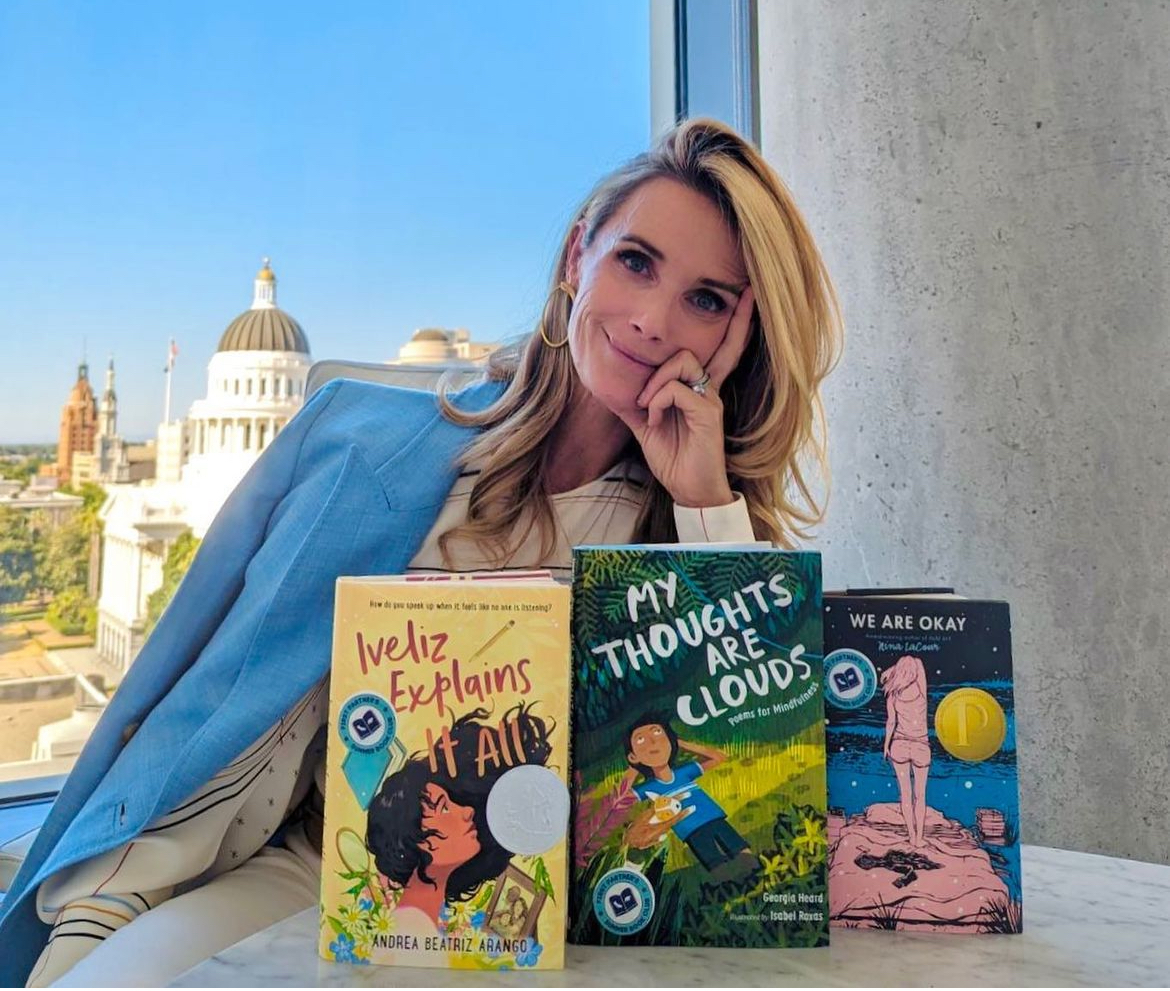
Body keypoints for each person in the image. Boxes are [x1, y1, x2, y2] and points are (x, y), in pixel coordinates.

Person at [0, 117, 841, 986]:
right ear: (575, 259)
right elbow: (214, 693)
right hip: (324, 871)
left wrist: (702, 500)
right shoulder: (370, 445)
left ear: (739, 337)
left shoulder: (705, 525)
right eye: (635, 262)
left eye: (708, 300)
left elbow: (744, 773)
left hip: (576, 916)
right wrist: (108, 906)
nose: (654, 320)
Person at [365, 705, 552, 932]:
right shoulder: (411, 930)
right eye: (444, 808)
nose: (467, 811)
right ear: (419, 839)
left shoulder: (427, 924)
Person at [622, 713, 754, 873]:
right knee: (716, 864)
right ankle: (730, 890)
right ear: (633, 755)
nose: (652, 742)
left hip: (713, 817)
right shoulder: (649, 787)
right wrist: (633, 765)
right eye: (641, 739)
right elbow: (620, 797)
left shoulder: (684, 771)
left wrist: (682, 744)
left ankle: (756, 877)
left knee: (741, 852)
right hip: (690, 830)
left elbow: (718, 757)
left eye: (657, 732)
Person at [881, 655, 931, 847]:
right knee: (920, 795)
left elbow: (891, 722)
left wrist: (886, 745)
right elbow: (919, 663)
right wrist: (902, 666)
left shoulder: (893, 694)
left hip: (899, 745)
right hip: (920, 746)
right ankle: (919, 838)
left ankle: (911, 835)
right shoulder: (920, 690)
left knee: (905, 794)